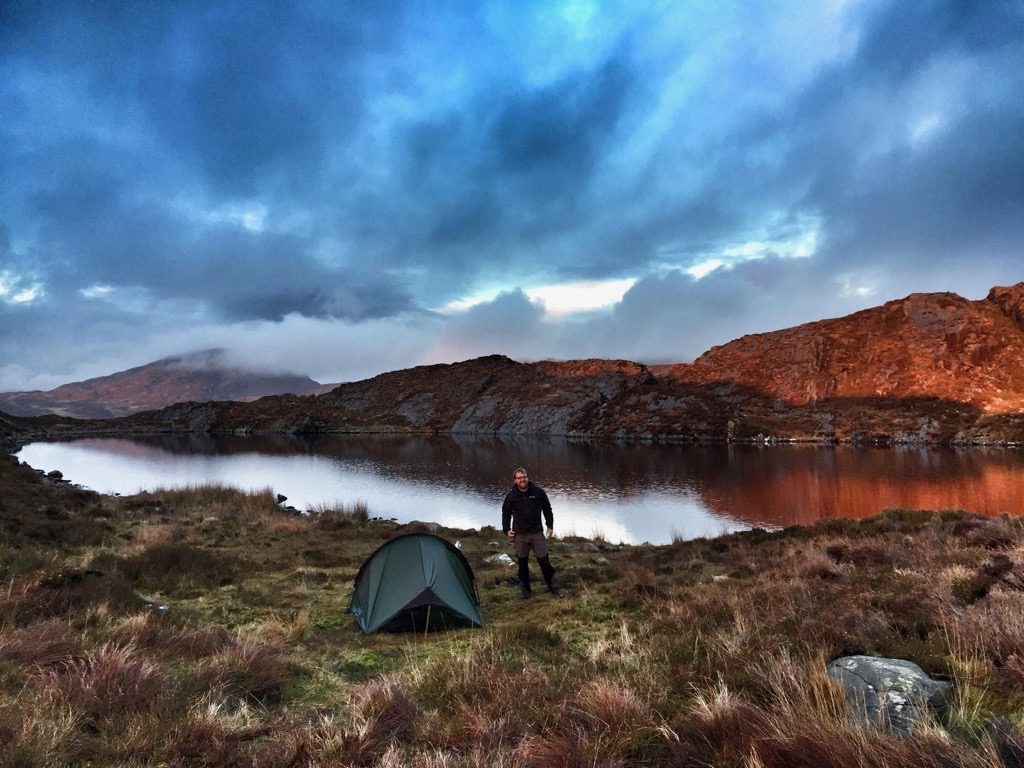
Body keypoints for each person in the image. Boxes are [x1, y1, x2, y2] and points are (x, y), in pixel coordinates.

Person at [501, 467, 563, 599]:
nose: (522, 480)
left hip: (537, 533)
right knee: (522, 564)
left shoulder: (538, 492)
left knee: (545, 562)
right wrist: (506, 529)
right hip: (520, 535)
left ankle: (554, 588)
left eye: (524, 477)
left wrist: (550, 525)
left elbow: (547, 509)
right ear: (515, 480)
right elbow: (505, 513)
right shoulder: (511, 496)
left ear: (528, 477)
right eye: (519, 478)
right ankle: (526, 590)